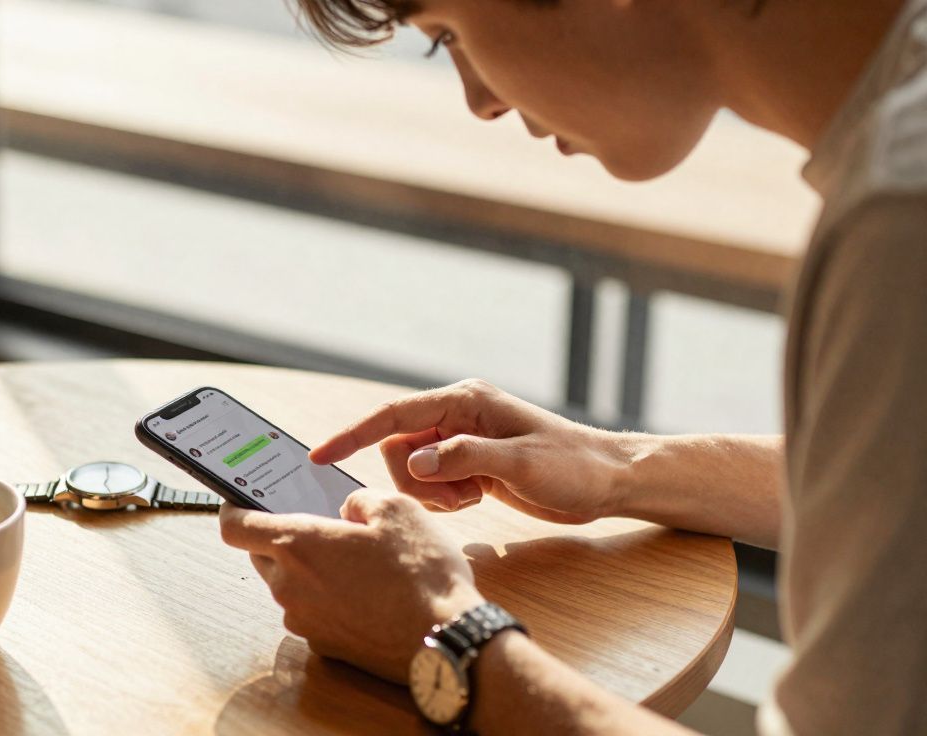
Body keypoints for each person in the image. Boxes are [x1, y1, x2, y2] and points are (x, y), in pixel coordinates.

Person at [217, 0, 927, 734]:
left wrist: (447, 635)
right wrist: (617, 465)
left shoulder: (902, 218)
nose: (479, 101)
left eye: (448, 36)